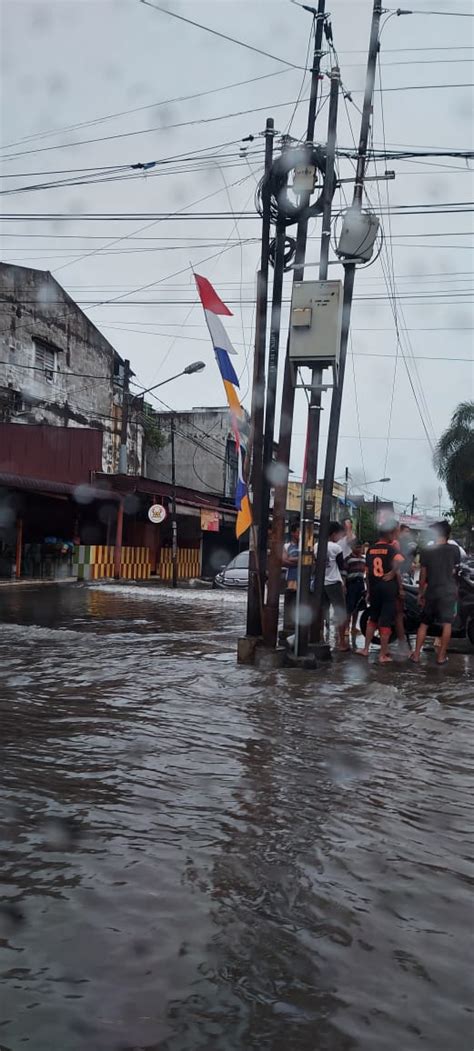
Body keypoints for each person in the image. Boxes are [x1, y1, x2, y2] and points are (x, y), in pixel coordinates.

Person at [410, 520, 461, 666]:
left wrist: (420, 593)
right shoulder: (454, 550)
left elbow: (423, 575)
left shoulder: (427, 550)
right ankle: (441, 657)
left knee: (424, 623)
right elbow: (454, 571)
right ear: (448, 534)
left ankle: (416, 655)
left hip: (432, 590)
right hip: (449, 592)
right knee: (447, 624)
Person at [359, 524, 405, 664]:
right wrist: (392, 573)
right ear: (389, 535)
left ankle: (365, 649)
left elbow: (366, 573)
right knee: (385, 620)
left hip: (374, 587)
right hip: (388, 588)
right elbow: (400, 564)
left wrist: (368, 590)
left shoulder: (370, 550)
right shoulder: (391, 549)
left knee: (373, 618)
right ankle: (383, 654)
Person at [314, 521, 348, 651]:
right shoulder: (336, 548)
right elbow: (342, 567)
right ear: (333, 534)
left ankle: (320, 638)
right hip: (334, 583)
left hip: (321, 583)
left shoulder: (316, 546)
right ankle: (341, 643)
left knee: (322, 611)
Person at [344, 538, 367, 640]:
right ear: (352, 548)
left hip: (360, 584)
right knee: (349, 607)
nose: (359, 549)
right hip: (351, 585)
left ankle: (353, 627)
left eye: (360, 547)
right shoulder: (348, 559)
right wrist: (344, 585)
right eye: (356, 547)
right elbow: (344, 574)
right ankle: (346, 628)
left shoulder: (363, 559)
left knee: (357, 608)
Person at [282, 521, 300, 592]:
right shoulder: (286, 546)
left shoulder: (306, 547)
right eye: (298, 532)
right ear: (293, 533)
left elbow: (309, 560)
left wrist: (290, 559)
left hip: (304, 579)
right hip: (291, 577)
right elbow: (284, 561)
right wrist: (300, 561)